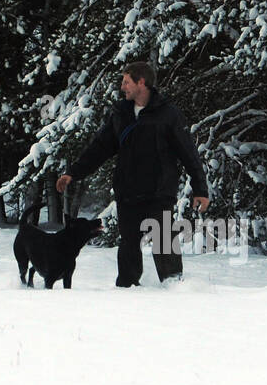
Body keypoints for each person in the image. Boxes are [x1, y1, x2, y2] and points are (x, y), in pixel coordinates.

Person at [56, 61, 210, 287]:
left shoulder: (168, 114)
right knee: (128, 245)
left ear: (141, 82)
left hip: (159, 191)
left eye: (126, 82)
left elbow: (188, 152)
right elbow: (100, 148)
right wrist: (73, 173)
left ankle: (176, 289)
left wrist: (200, 189)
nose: (122, 87)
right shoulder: (121, 113)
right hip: (128, 191)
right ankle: (127, 289)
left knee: (164, 240)